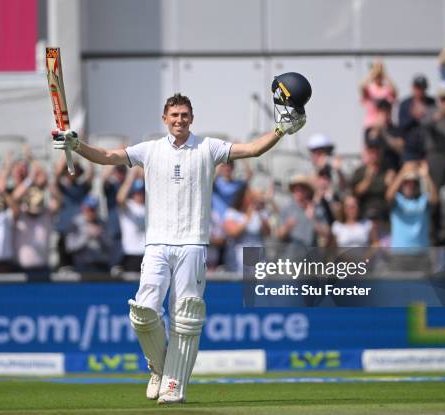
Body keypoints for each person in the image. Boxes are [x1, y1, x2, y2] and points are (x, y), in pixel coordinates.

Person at [51, 90, 307, 404]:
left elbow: (253, 150)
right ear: (165, 119)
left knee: (186, 316)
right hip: (157, 244)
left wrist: (281, 129)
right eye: (174, 115)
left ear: (192, 118)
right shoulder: (150, 150)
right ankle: (160, 368)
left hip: (193, 243)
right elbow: (107, 157)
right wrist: (76, 144)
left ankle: (174, 386)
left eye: (184, 115)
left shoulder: (208, 147)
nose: (179, 120)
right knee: (143, 312)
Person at [385, 161, 438, 250]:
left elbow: (435, 198)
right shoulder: (398, 200)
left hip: (421, 253)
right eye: (406, 182)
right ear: (401, 184)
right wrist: (402, 173)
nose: (410, 185)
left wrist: (426, 175)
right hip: (399, 254)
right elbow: (389, 195)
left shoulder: (423, 200)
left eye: (413, 182)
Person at [223, 184, 270, 273]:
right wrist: (248, 217)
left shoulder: (259, 212)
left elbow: (268, 233)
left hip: (256, 252)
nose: (252, 199)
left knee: (255, 282)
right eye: (249, 196)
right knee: (241, 281)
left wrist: (260, 213)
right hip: (239, 254)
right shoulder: (232, 213)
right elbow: (233, 233)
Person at [65, 195, 111, 273]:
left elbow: (109, 245)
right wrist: (86, 236)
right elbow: (70, 247)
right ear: (83, 208)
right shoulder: (75, 223)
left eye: (93, 209)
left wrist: (100, 235)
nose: (91, 212)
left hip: (101, 265)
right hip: (83, 265)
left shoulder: (102, 223)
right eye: (89, 209)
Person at [116, 167, 146, 272]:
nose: (140, 195)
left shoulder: (148, 207)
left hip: (146, 253)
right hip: (131, 253)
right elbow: (120, 198)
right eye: (137, 192)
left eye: (142, 192)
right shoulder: (129, 205)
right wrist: (131, 176)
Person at [360, 59, 397, 129]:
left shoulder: (387, 89)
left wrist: (384, 74)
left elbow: (395, 91)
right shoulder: (369, 88)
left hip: (386, 124)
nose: (378, 78)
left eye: (380, 76)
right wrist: (373, 72)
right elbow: (362, 86)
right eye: (377, 76)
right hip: (371, 124)